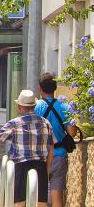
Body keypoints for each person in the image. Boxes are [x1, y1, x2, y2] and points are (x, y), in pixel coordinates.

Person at [0, 90, 53, 207]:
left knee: (19, 203)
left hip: (21, 165)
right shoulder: (46, 123)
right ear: (34, 106)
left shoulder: (15, 123)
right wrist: (47, 168)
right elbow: (51, 147)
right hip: (40, 165)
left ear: (20, 107)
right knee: (40, 203)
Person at [34, 72, 78, 207]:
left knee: (40, 196)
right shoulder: (64, 107)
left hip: (41, 156)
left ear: (40, 88)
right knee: (57, 196)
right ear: (55, 88)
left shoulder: (36, 107)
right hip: (59, 155)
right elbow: (72, 132)